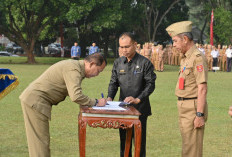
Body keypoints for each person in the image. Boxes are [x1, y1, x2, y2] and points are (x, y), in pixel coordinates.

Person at [19, 53, 107, 157]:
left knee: (40, 142)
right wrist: (96, 102)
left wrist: (85, 103)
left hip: (35, 100)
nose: (97, 74)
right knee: (40, 144)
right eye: (98, 71)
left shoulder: (75, 68)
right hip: (35, 101)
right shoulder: (74, 69)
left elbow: (72, 92)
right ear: (91, 64)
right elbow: (76, 96)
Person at [107, 32, 156, 157]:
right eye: (121, 47)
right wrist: (109, 98)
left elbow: (150, 85)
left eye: (127, 46)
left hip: (140, 109)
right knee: (124, 143)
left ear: (135, 45)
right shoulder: (118, 63)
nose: (124, 50)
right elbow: (113, 83)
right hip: (123, 109)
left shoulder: (145, 63)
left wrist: (138, 99)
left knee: (139, 144)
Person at [166, 21, 208, 157]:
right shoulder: (185, 58)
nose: (174, 45)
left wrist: (199, 115)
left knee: (192, 150)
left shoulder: (197, 58)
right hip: (185, 106)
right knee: (187, 146)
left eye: (175, 41)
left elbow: (202, 88)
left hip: (193, 108)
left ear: (185, 39)